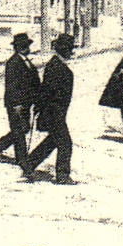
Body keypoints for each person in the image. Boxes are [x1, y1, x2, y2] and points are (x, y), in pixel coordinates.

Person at [22, 33, 76, 184]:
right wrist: (40, 106)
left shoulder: (56, 64)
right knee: (65, 143)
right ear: (62, 50)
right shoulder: (56, 66)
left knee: (53, 141)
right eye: (69, 49)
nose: (71, 52)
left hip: (55, 111)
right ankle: (62, 175)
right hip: (54, 112)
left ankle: (29, 164)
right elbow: (47, 90)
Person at [0, 32, 40, 163]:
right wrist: (16, 104)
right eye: (24, 46)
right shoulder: (13, 63)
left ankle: (2, 144)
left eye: (27, 45)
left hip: (25, 103)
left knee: (23, 128)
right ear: (18, 48)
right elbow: (12, 86)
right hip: (16, 104)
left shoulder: (26, 62)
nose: (27, 48)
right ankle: (22, 159)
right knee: (19, 130)